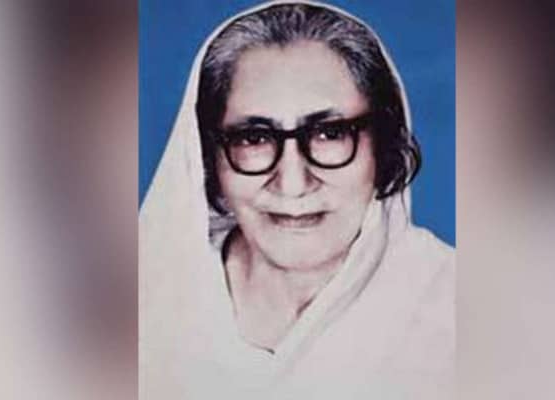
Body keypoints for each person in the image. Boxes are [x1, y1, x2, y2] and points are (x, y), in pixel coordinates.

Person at [140, 2, 454, 399]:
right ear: (207, 158)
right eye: (254, 138)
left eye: (329, 134)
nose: (292, 184)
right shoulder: (141, 298)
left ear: (384, 146)